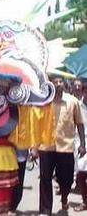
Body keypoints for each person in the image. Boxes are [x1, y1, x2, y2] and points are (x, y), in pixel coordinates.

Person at [34, 75, 86, 214]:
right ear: (51, 84)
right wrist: (33, 148)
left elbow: (80, 123)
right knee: (45, 179)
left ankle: (64, 197)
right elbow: (37, 125)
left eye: (60, 81)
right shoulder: (44, 102)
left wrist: (83, 144)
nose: (58, 84)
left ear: (64, 84)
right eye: (55, 82)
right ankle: (45, 210)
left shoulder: (72, 101)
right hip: (46, 147)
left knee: (67, 180)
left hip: (66, 148)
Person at [73, 81, 87, 212]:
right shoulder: (78, 105)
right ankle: (84, 202)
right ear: (83, 92)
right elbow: (77, 125)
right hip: (81, 143)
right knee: (82, 173)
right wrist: (82, 144)